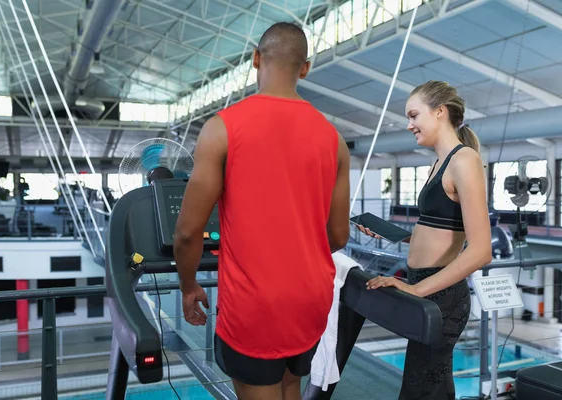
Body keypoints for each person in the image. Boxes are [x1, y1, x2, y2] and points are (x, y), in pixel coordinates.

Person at [173, 22, 351, 400]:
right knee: (291, 389)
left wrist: (189, 286)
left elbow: (188, 232)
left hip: (255, 308)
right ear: (305, 68)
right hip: (310, 302)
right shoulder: (334, 140)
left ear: (256, 59)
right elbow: (337, 236)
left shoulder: (222, 129)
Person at [359, 80, 492, 399]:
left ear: (440, 112)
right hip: (425, 287)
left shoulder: (465, 160)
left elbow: (481, 250)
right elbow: (443, 227)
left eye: (414, 115)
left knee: (423, 389)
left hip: (441, 294)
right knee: (428, 387)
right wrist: (398, 236)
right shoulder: (438, 164)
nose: (408, 125)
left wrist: (415, 288)